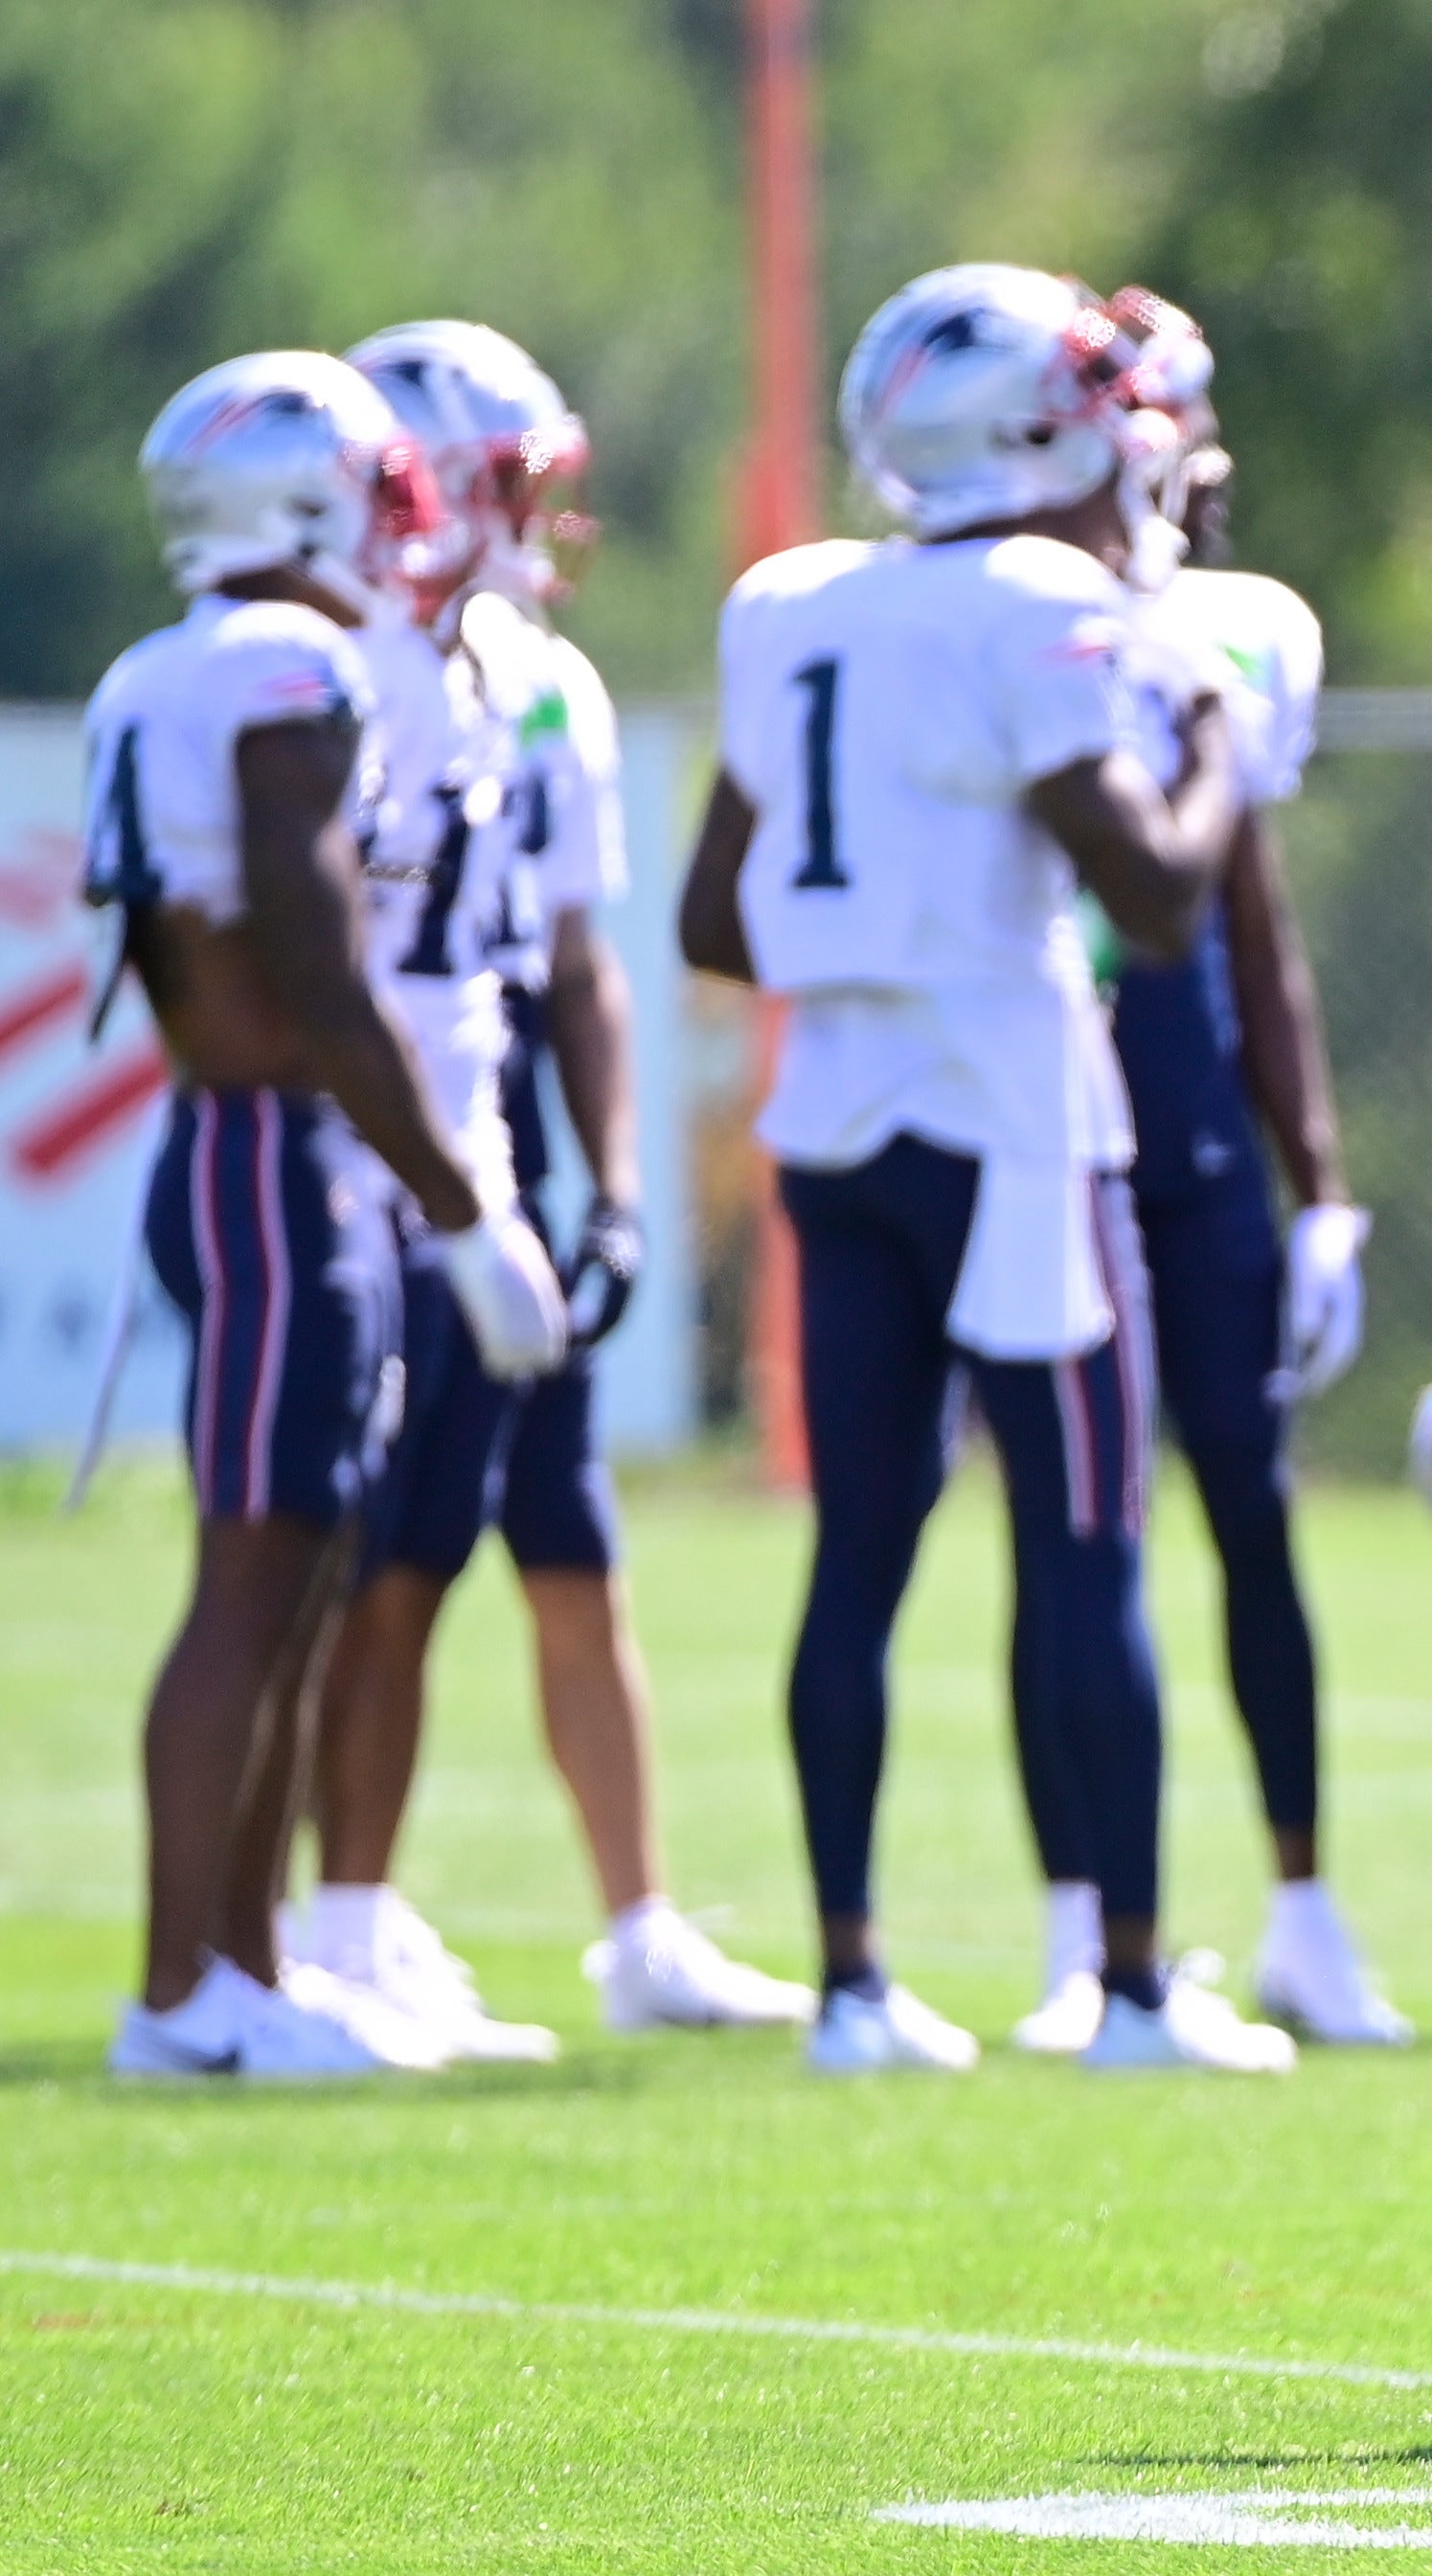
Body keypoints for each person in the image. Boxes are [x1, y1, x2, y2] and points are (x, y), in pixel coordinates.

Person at [677, 263, 1283, 2076]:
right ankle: (1128, 1979)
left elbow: (717, 909)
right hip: (1015, 1118)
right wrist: (1213, 745)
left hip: (835, 1111)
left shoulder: (791, 600)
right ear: (1030, 431)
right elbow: (1157, 898)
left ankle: (852, 1979)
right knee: (1083, 1543)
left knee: (855, 1557)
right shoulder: (1044, 599)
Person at [294, 320, 813, 2052]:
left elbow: (578, 958)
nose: (542, 512)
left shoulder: (535, 678)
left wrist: (612, 1179)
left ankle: (638, 1925)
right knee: (394, 1547)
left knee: (571, 1542)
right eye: (513, 476)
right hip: (390, 1126)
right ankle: (342, 1916)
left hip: (503, 1111)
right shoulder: (333, 672)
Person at [92, 351, 569, 2077]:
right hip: (277, 1155)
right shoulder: (285, 662)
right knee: (258, 1577)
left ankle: (244, 1969)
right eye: (381, 489)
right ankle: (182, 1993)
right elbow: (313, 960)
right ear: (296, 504)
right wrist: (454, 1203)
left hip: (258, 1152)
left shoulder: (180, 664)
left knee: (299, 1579)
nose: (411, 522)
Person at [1000, 287, 1409, 2055]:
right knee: (1069, 1539)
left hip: (1182, 1122)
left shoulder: (1236, 627)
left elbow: (1250, 913)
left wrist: (1314, 1175)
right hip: (1029, 1104)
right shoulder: (992, 622)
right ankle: (1078, 1929)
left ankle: (1304, 1909)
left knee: (1250, 1515)